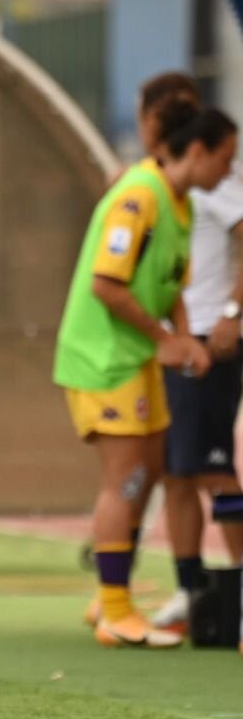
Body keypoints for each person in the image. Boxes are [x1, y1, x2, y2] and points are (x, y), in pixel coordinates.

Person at [54, 95, 237, 649]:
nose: (230, 170)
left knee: (150, 473)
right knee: (126, 480)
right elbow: (107, 285)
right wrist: (166, 341)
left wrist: (182, 339)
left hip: (137, 358)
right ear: (198, 150)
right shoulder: (139, 195)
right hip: (105, 358)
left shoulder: (179, 201)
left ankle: (118, 598)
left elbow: (173, 282)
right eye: (226, 158)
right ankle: (113, 609)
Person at [142, 74, 243, 635]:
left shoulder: (212, 173)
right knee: (177, 472)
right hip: (175, 344)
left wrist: (233, 313)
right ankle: (191, 590)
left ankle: (239, 584)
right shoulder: (158, 183)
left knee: (212, 470)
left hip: (207, 340)